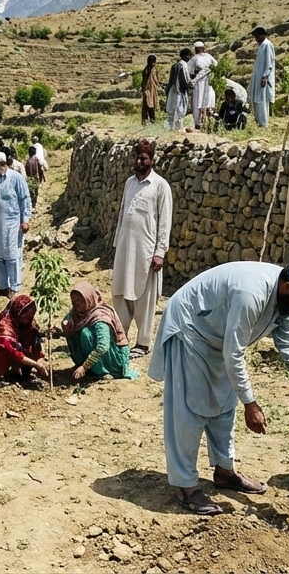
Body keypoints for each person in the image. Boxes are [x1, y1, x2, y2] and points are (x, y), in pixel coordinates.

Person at [149, 259, 289, 515]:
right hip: (191, 329)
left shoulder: (288, 302)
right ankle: (186, 486)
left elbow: (288, 346)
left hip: (217, 339)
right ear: (288, 287)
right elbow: (234, 353)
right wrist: (251, 403)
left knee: (224, 406)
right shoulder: (251, 292)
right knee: (188, 410)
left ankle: (224, 472)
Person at [111, 140, 172, 360]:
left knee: (145, 297)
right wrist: (117, 244)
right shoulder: (129, 183)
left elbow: (165, 222)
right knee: (119, 291)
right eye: (137, 157)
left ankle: (143, 343)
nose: (139, 161)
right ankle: (120, 337)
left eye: (143, 158)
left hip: (146, 252)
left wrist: (160, 252)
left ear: (151, 160)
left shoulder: (160, 185)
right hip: (125, 248)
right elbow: (122, 216)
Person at [62, 282, 137, 381]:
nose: (76, 304)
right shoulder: (78, 312)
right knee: (75, 331)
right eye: (74, 301)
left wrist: (85, 366)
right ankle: (91, 367)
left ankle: (103, 371)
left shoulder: (100, 316)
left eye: (80, 300)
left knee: (85, 334)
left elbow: (103, 346)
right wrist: (65, 325)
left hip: (114, 358)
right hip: (98, 355)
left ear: (88, 299)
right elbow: (67, 321)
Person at [0, 151, 32, 297]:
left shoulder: (16, 178)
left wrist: (25, 220)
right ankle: (3, 287)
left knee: (12, 255)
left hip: (12, 224)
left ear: (2, 164)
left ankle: (14, 288)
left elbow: (25, 199)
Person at [250, 27, 276, 128]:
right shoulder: (262, 46)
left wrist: (265, 76)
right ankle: (259, 122)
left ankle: (263, 123)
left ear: (262, 35)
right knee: (257, 100)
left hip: (263, 78)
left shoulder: (267, 45)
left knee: (262, 100)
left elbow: (269, 63)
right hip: (258, 78)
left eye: (256, 36)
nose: (255, 39)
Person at [189, 41, 217, 130]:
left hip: (199, 84)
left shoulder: (194, 58)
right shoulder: (209, 56)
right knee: (206, 101)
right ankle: (204, 123)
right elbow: (216, 66)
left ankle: (198, 123)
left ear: (196, 49)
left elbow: (189, 71)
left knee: (197, 102)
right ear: (203, 48)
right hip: (208, 82)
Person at [166, 48, 193, 131]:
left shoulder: (175, 65)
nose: (190, 58)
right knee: (179, 109)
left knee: (173, 110)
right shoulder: (183, 66)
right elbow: (183, 80)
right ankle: (178, 128)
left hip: (172, 91)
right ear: (185, 56)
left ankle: (171, 128)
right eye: (189, 55)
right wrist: (189, 87)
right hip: (179, 92)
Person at [140, 54, 160, 124]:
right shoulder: (146, 71)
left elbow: (156, 79)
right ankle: (146, 119)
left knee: (152, 105)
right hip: (147, 90)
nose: (153, 64)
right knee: (148, 104)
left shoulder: (155, 70)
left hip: (153, 90)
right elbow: (144, 81)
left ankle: (152, 119)